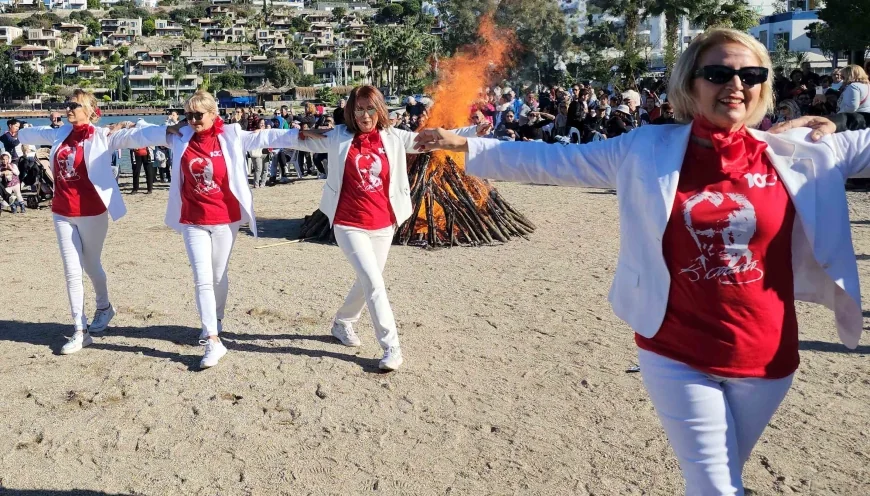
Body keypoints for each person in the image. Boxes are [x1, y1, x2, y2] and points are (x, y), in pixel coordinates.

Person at [413, 28, 870, 495]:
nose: (736, 84)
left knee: (722, 477)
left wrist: (836, 120)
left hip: (766, 357)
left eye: (750, 74)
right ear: (691, 84)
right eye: (718, 73)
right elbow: (554, 161)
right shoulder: (645, 148)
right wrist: (463, 144)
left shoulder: (802, 152)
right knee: (715, 486)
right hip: (675, 350)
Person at [283, 85, 486, 371]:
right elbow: (297, 140)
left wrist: (473, 133)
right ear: (351, 112)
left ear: (380, 111)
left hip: (383, 223)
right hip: (348, 222)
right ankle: (392, 346)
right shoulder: (337, 137)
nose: (365, 115)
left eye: (370, 109)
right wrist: (256, 137)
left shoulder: (394, 137)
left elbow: (432, 139)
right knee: (375, 283)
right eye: (359, 109)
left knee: (369, 280)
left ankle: (342, 323)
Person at [152, 90, 301, 369]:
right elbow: (145, 135)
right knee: (202, 278)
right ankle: (212, 339)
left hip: (225, 218)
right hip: (192, 219)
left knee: (218, 275)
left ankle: (216, 319)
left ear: (213, 114)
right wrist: (121, 126)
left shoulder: (230, 135)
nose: (194, 120)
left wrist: (304, 135)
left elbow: (267, 137)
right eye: (189, 115)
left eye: (199, 115)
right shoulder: (181, 136)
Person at [18, 89, 171, 355]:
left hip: (92, 212)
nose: (69, 108)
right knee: (71, 269)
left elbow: (136, 137)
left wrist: (169, 131)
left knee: (91, 264)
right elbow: (28, 134)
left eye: (75, 105)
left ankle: (104, 307)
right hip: (61, 211)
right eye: (67, 104)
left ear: (91, 111)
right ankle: (80, 330)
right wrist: (23, 131)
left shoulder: (103, 136)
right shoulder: (60, 133)